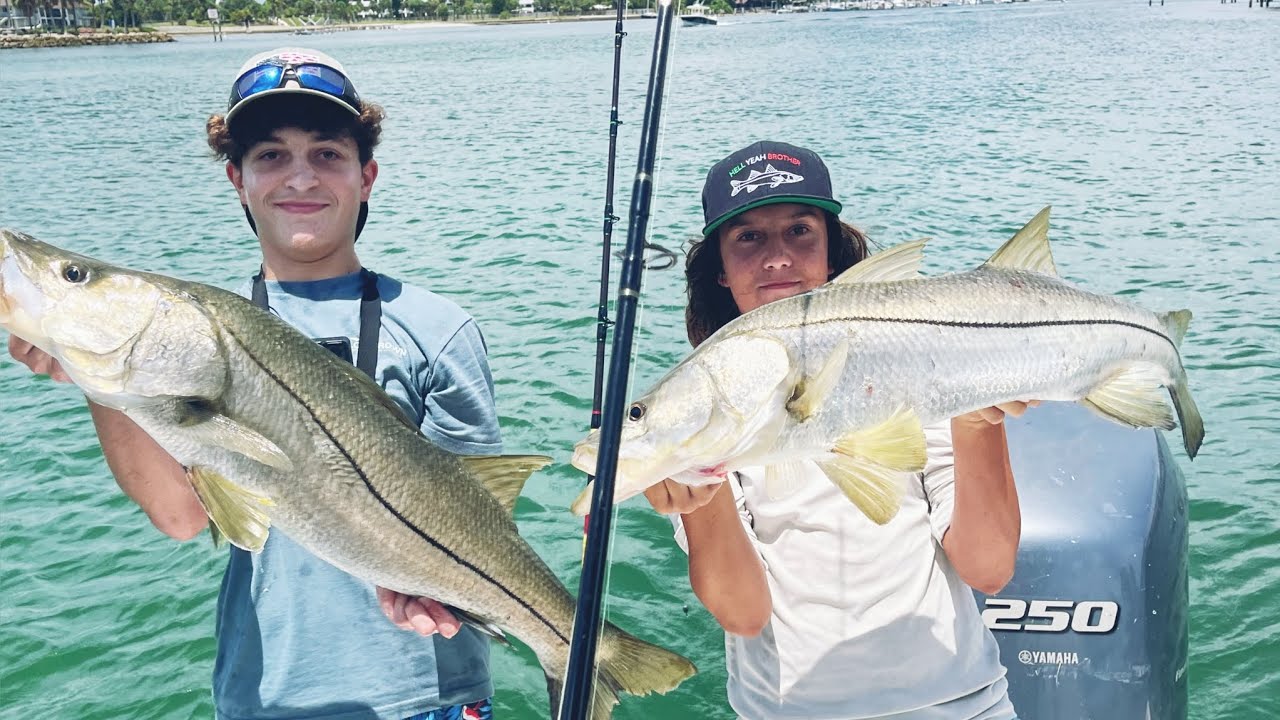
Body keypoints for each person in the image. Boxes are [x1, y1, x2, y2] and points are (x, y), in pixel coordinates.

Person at [7, 48, 498, 720]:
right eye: (271, 156)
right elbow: (182, 518)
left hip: (428, 697)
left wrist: (437, 593)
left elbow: (480, 519)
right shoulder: (184, 336)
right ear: (238, 179)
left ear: (367, 175)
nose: (300, 176)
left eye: (327, 153)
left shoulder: (439, 329)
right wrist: (96, 378)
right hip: (265, 695)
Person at [645, 140, 1030, 720]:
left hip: (963, 705)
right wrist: (701, 498)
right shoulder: (704, 402)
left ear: (832, 254)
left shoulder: (918, 362)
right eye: (748, 237)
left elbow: (989, 567)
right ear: (720, 270)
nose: (777, 257)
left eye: (799, 231)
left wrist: (977, 416)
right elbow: (744, 613)